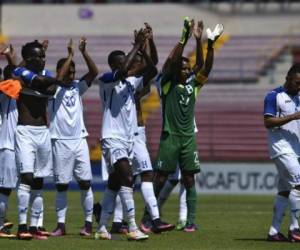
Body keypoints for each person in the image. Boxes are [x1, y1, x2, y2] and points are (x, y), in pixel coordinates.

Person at [152, 17, 223, 232]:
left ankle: (191, 221)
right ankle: (150, 216)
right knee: (161, 178)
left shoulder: (193, 87)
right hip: (170, 136)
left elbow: (205, 69)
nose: (187, 71)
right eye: (183, 68)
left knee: (190, 178)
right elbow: (168, 65)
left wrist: (207, 44)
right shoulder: (166, 85)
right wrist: (183, 39)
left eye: (188, 69)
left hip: (188, 137)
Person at [95, 28, 157, 241]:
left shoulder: (131, 82)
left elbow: (152, 69)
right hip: (112, 137)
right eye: (123, 62)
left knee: (114, 182)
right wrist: (137, 46)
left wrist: (147, 44)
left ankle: (102, 227)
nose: (128, 65)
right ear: (114, 65)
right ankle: (131, 227)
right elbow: (121, 72)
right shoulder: (106, 80)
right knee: (128, 177)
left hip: (129, 137)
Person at [12, 40, 68, 240]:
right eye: (40, 56)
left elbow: (51, 89)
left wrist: (45, 82)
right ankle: (22, 226)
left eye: (44, 56)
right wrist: (44, 83)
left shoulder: (45, 75)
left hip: (43, 131)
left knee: (38, 180)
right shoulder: (19, 72)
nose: (44, 60)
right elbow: (42, 84)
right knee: (27, 177)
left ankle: (36, 226)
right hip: (25, 131)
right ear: (28, 59)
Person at [49, 38, 98, 237]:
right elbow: (59, 79)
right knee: (62, 185)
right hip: (60, 141)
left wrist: (83, 53)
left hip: (79, 140)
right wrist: (69, 56)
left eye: (73, 71)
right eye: (69, 70)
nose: (72, 74)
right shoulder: (52, 87)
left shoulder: (78, 87)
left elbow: (94, 73)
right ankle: (61, 225)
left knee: (85, 183)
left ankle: (87, 224)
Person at [264, 63, 300, 242]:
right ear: (288, 79)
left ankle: (274, 232)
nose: (299, 87)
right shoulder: (274, 96)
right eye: (297, 82)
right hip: (281, 148)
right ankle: (295, 229)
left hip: (295, 149)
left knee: (285, 190)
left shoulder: (299, 97)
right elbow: (268, 122)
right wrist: (293, 116)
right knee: (298, 184)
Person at [0, 65, 18, 238]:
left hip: (12, 146)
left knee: (6, 188)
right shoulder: (7, 90)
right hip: (7, 146)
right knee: (5, 188)